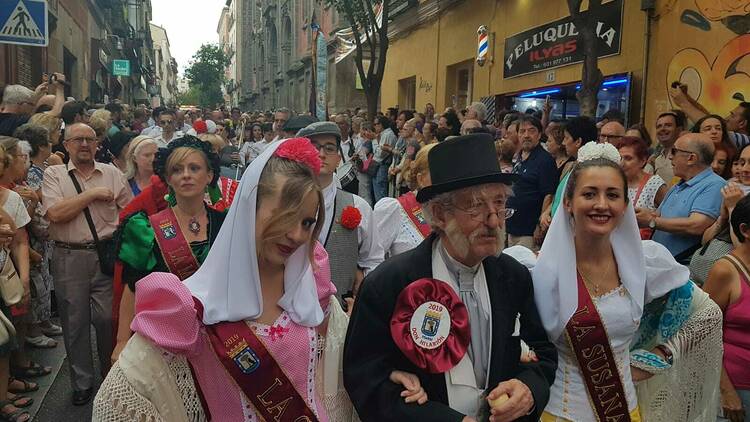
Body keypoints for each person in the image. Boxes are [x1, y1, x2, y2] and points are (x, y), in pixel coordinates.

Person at [95, 137, 425, 421]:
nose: (296, 234)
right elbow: (125, 393)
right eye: (284, 217)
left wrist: (383, 376)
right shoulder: (191, 308)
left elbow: (344, 362)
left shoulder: (312, 292)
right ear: (249, 207)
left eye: (308, 223)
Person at [344, 134, 557, 421]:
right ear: (439, 215)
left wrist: (528, 390)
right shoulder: (389, 285)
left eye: (499, 204)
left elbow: (542, 354)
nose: (494, 220)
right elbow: (365, 378)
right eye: (476, 207)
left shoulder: (514, 277)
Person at [533, 141, 722, 421]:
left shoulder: (644, 265)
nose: (601, 204)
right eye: (589, 194)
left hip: (623, 409)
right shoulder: (539, 271)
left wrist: (658, 357)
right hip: (557, 412)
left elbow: (708, 315)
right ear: (569, 203)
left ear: (624, 205)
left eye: (613, 195)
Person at [41, 123, 133, 405]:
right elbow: (56, 213)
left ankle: (111, 376)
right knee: (75, 322)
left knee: (109, 319)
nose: (84, 144)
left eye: (89, 140)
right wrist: (92, 195)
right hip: (68, 256)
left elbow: (129, 214)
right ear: (66, 144)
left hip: (105, 256)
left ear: (97, 144)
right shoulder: (54, 174)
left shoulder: (112, 173)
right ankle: (82, 382)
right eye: (77, 139)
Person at [112, 137, 226, 363]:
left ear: (209, 176)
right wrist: (121, 341)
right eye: (177, 169)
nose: (186, 175)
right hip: (165, 339)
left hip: (218, 335)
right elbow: (133, 287)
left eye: (194, 168)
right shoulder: (146, 228)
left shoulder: (226, 223)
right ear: (167, 178)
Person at [297, 122, 383, 301]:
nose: (321, 154)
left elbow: (373, 260)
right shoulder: (287, 205)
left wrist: (362, 292)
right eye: (314, 147)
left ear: (338, 158)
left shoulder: (358, 206)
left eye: (329, 148)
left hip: (341, 314)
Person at [637, 133, 726, 263]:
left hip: (683, 269)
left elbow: (696, 225)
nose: (670, 157)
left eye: (674, 151)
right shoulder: (678, 185)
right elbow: (657, 215)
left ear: (691, 158)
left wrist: (652, 221)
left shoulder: (715, 185)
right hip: (661, 265)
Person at [11, 125, 62, 350]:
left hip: (39, 239)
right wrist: (35, 198)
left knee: (42, 284)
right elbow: (22, 220)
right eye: (22, 159)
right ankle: (33, 329)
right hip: (29, 241)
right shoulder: (19, 187)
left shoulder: (25, 180)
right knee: (33, 286)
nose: (27, 163)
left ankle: (42, 322)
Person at [704, 195, 750, 422]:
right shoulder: (725, 272)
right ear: (745, 230)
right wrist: (726, 391)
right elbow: (703, 334)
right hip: (738, 390)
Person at [0, 144, 32, 422]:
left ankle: (2, 399)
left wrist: (23, 279)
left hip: (2, 281)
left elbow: (18, 239)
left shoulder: (8, 198)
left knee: (3, 340)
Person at [375, 144, 436, 258]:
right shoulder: (394, 209)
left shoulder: (455, 210)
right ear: (421, 178)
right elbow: (371, 259)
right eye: (438, 173)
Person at [506, 115, 558, 250]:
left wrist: (539, 227)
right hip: (512, 227)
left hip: (529, 231)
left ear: (540, 135)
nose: (526, 135)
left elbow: (549, 195)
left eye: (531, 130)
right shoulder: (518, 157)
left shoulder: (544, 160)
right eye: (522, 131)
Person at [617, 136, 668, 239]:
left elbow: (669, 216)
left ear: (642, 161)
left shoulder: (654, 184)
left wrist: (652, 218)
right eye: (619, 158)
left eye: (628, 158)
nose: (621, 163)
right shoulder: (614, 182)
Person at [646, 112, 685, 186]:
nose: (662, 129)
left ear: (679, 129)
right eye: (659, 126)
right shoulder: (655, 159)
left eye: (668, 125)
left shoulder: (685, 156)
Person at [693, 114, 737, 179]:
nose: (714, 132)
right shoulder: (689, 152)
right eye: (708, 129)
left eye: (718, 128)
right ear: (698, 133)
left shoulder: (731, 154)